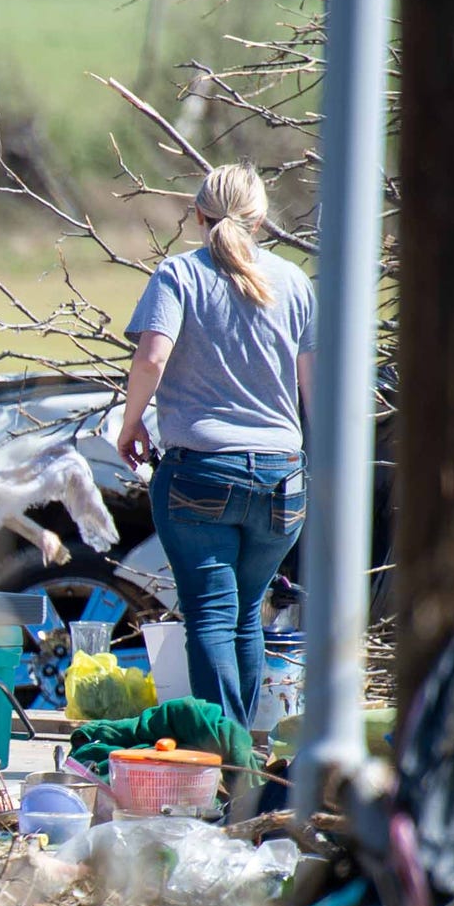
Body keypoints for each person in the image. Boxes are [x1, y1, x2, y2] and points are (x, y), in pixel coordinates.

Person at [113, 164, 314, 730]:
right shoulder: (295, 283)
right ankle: (245, 762)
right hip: (282, 479)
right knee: (248, 615)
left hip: (201, 473)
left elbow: (152, 357)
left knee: (209, 618)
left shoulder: (179, 275)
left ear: (197, 216)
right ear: (263, 219)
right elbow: (314, 388)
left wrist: (132, 425)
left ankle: (223, 761)